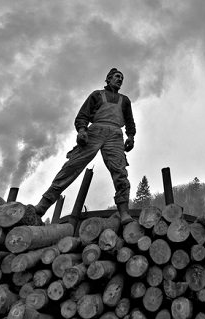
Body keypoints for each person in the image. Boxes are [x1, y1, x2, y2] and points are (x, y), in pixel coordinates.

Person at [34, 68, 136, 223]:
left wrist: (130, 136)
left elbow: (129, 121)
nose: (120, 79)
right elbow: (83, 115)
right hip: (95, 131)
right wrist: (82, 130)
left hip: (115, 135)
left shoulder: (125, 100)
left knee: (120, 172)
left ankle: (124, 213)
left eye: (122, 77)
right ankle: (43, 205)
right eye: (117, 76)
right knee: (72, 167)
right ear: (108, 79)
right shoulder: (97, 95)